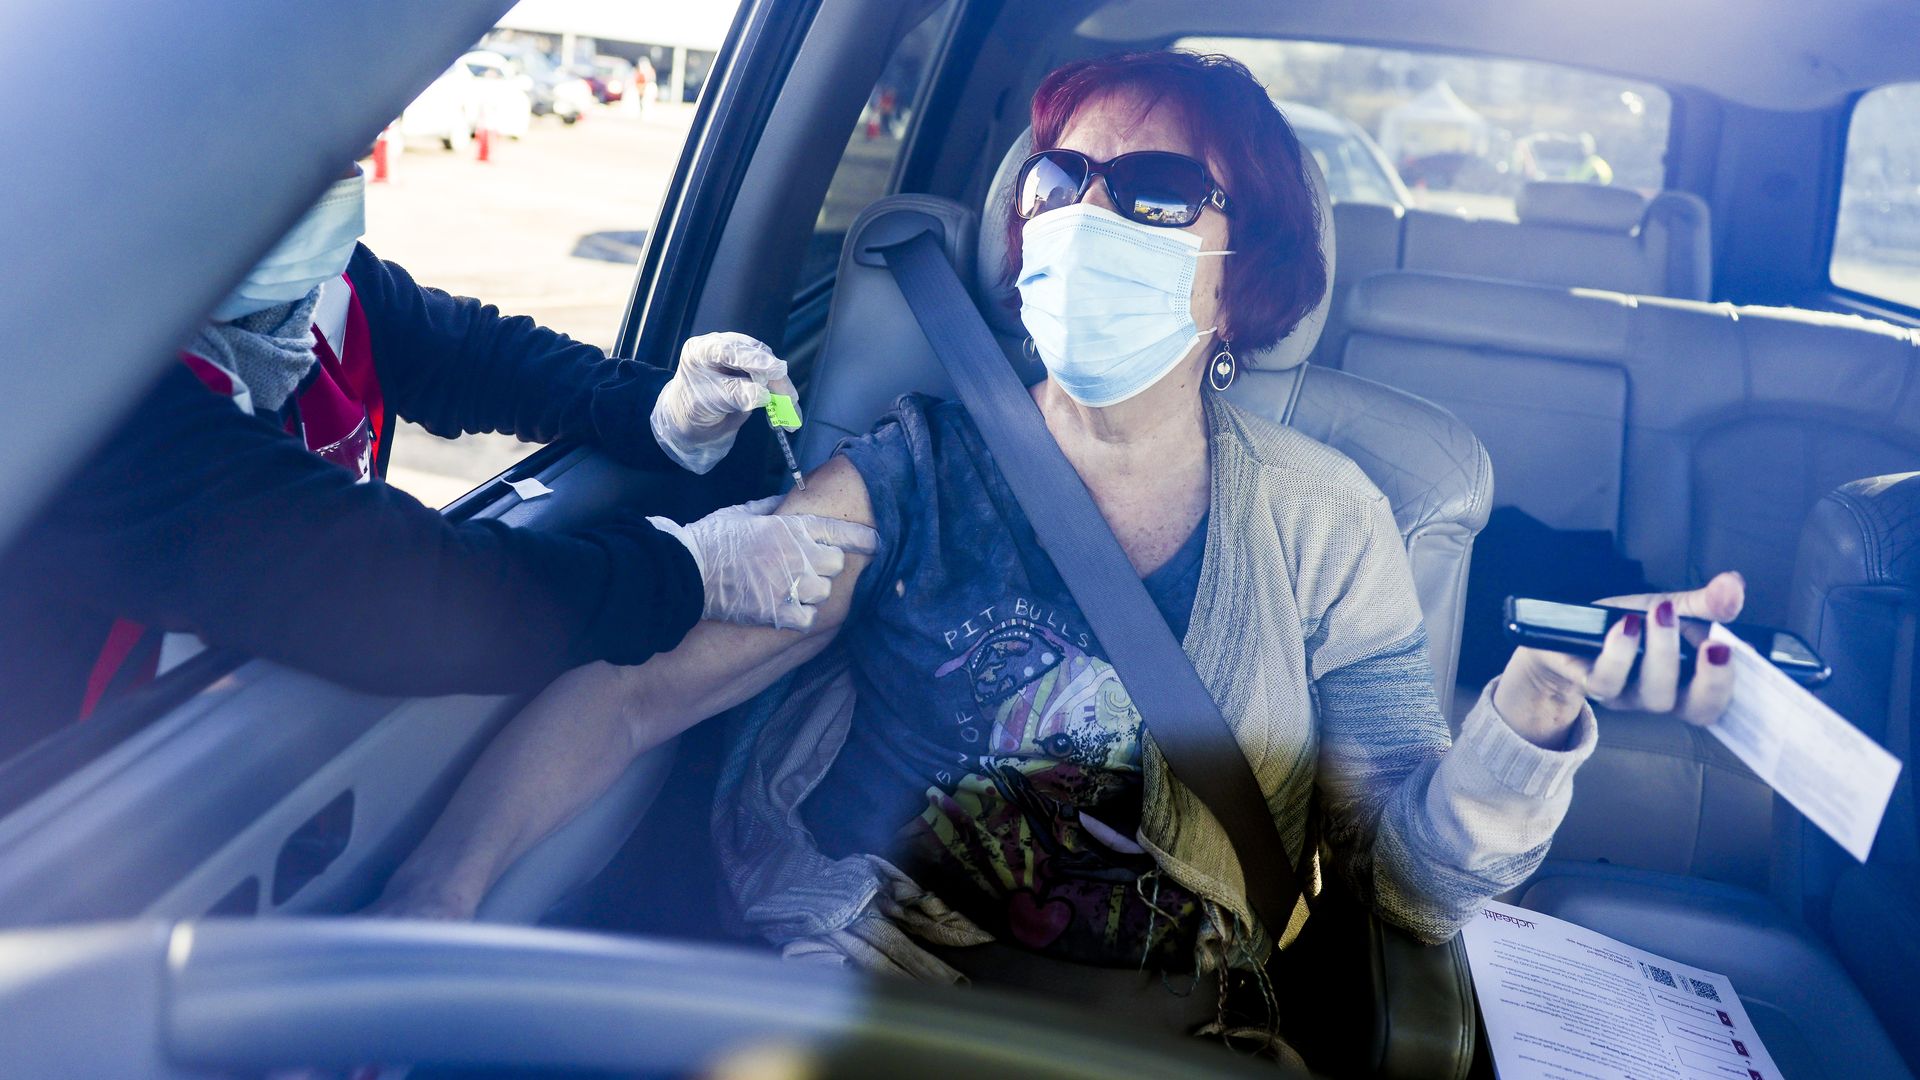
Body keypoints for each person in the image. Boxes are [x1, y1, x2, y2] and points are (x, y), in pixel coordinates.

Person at [373, 51, 1742, 1043]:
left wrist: (1524, 726)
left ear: (1242, 270)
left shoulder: (1330, 524)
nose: (1086, 214)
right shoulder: (910, 474)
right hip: (864, 1001)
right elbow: (628, 696)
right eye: (1060, 179)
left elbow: (1404, 890)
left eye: (1153, 191)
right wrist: (435, 900)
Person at [0, 162, 874, 756]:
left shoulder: (311, 299)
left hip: (233, 746)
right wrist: (688, 576)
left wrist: (662, 413)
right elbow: (384, 588)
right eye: (309, 158)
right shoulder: (77, 399)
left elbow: (479, 355)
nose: (339, 181)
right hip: (80, 826)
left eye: (350, 151)